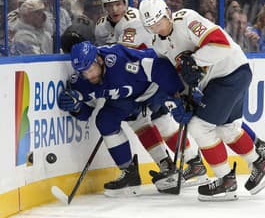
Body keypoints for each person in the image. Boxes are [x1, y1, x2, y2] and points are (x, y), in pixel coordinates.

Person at [139, 0, 265, 201]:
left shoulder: (187, 19)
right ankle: (260, 163)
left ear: (168, 13)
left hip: (231, 71)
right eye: (150, 26)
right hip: (218, 81)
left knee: (199, 127)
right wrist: (180, 98)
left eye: (158, 22)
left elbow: (221, 43)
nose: (156, 28)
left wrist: (195, 61)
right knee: (226, 128)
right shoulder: (158, 45)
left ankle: (226, 180)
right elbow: (178, 74)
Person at [95, 0, 209, 188]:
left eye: (119, 4)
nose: (114, 10)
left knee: (161, 118)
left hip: (154, 75)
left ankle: (193, 161)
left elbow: (119, 57)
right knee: (144, 119)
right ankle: (177, 164)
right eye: (109, 5)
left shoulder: (133, 21)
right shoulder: (102, 26)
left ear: (126, 3)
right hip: (136, 82)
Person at [58, 41, 187, 196]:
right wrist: (76, 107)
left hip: (151, 90)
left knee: (141, 118)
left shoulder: (120, 61)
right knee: (106, 120)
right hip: (126, 99)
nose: (88, 75)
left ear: (99, 60)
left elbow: (160, 67)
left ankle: (171, 165)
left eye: (90, 69)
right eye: (83, 72)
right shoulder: (82, 80)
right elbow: (86, 113)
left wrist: (176, 94)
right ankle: (130, 174)